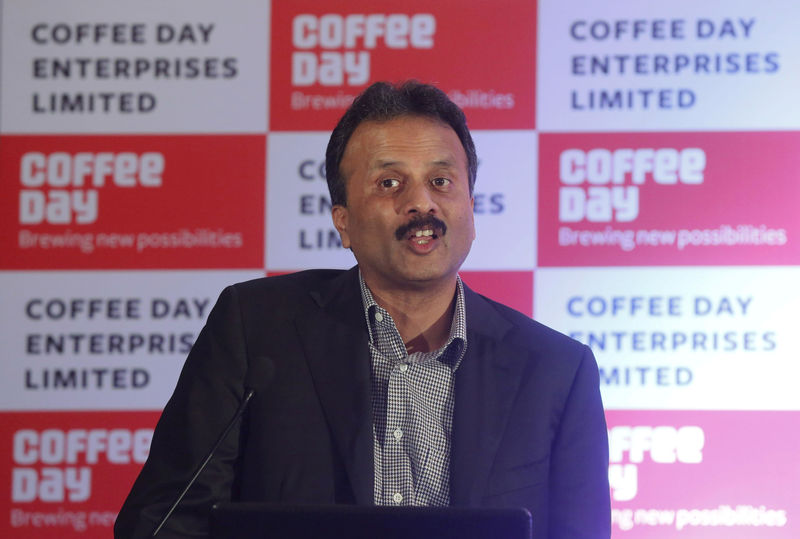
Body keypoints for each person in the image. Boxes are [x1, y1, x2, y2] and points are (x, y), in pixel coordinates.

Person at [115, 81, 610, 538]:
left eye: (441, 181)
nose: (422, 204)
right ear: (343, 223)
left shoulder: (554, 370)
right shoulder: (257, 329)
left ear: (471, 210)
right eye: (390, 184)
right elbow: (164, 521)